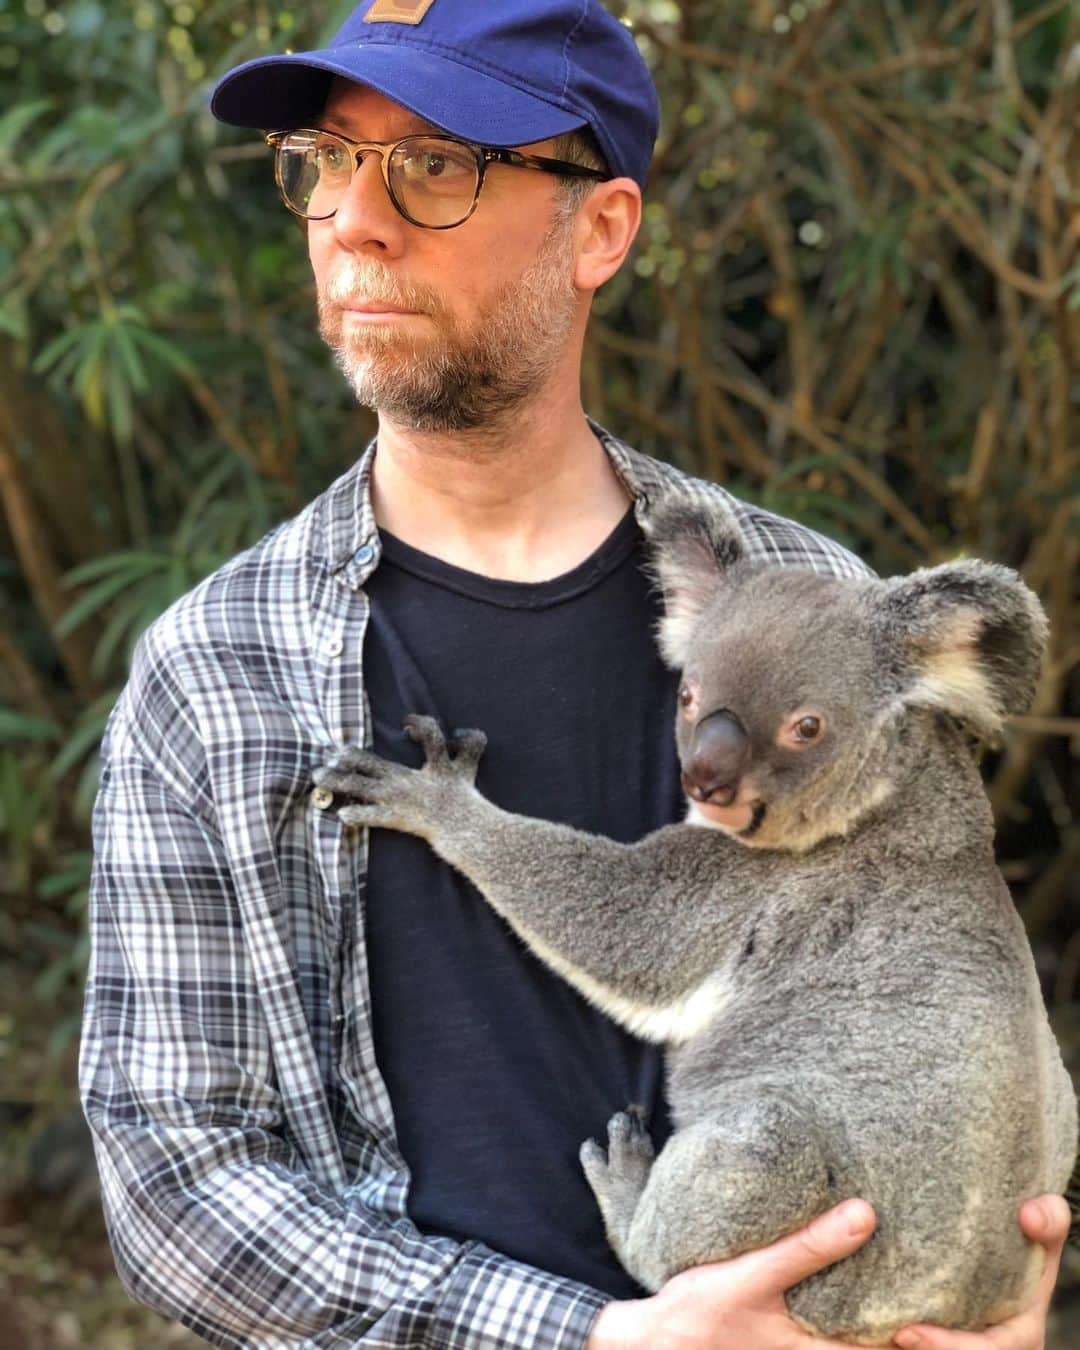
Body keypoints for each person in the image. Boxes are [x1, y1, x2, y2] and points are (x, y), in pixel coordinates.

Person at [78, 2, 1070, 1347]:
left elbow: (958, 1010)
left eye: (433, 166)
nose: (354, 222)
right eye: (325, 161)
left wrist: (985, 1288)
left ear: (601, 227)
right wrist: (590, 1339)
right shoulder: (211, 673)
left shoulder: (811, 593)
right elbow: (172, 1185)